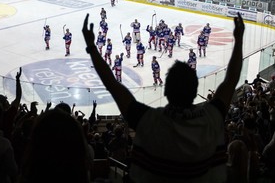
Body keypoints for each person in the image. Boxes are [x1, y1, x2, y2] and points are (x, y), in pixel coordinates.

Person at [81, 13, 244, 182]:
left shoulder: (149, 120)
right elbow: (231, 80)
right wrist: (238, 40)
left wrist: (92, 48)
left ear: (166, 91)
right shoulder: (211, 118)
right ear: (195, 91)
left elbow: (112, 85)